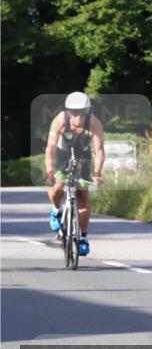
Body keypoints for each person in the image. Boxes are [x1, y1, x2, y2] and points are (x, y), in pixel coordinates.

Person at [45, 92, 105, 256]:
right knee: (57, 187)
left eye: (82, 113)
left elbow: (99, 151)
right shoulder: (60, 120)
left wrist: (97, 173)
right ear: (68, 111)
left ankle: (83, 238)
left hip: (83, 155)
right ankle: (56, 210)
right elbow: (50, 148)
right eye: (74, 112)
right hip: (62, 153)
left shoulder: (94, 123)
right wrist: (50, 171)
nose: (78, 117)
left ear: (87, 111)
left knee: (82, 194)